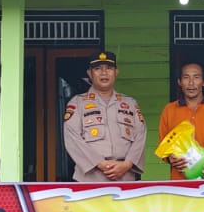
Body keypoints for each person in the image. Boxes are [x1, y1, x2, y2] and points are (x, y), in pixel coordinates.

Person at [61, 51, 146, 182]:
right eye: (97, 69)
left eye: (109, 68)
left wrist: (127, 164)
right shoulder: (77, 103)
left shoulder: (130, 103)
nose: (104, 73)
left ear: (116, 72)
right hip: (90, 177)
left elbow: (140, 136)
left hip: (125, 176)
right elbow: (73, 138)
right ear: (90, 73)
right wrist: (100, 164)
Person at [157, 62, 204, 179]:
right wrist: (169, 158)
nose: (191, 83)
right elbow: (164, 144)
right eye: (186, 77)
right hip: (180, 179)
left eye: (196, 77)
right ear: (179, 82)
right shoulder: (169, 110)